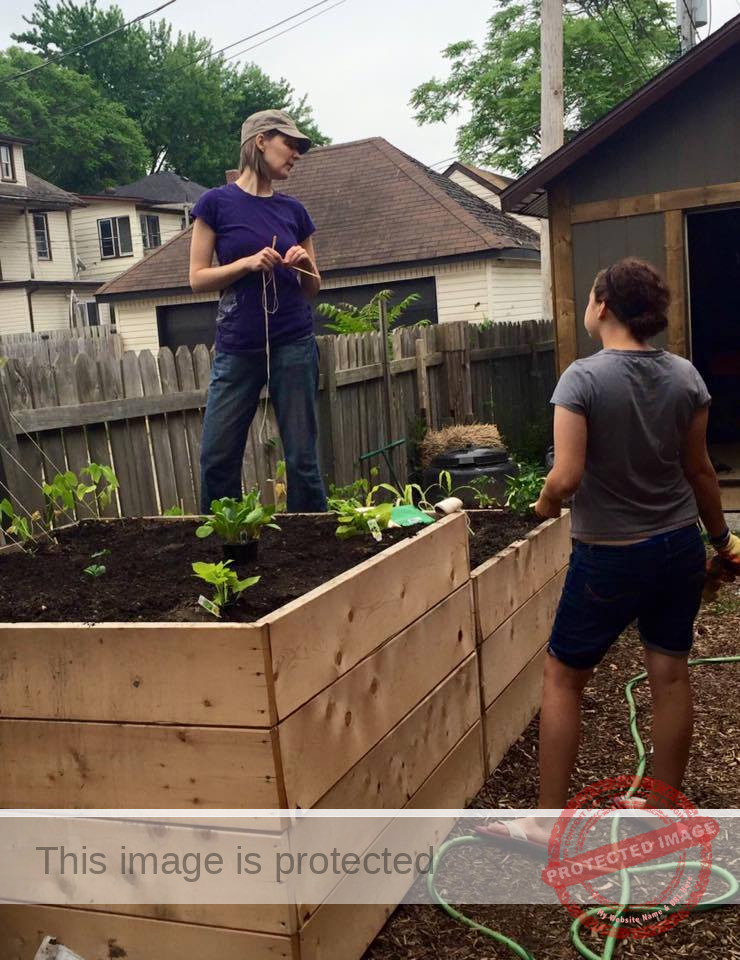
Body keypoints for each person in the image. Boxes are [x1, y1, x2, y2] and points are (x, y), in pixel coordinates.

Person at [479, 257, 740, 847]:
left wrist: (542, 508)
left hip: (609, 555)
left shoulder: (582, 379)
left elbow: (566, 477)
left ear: (601, 307)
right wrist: (721, 542)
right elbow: (700, 470)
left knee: (563, 679)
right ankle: (661, 808)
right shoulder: (686, 377)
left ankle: (545, 823)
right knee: (670, 675)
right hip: (676, 547)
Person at [189, 109, 327, 513]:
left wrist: (304, 264)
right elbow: (197, 278)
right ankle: (226, 546)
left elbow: (313, 288)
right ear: (261, 141)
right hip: (237, 347)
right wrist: (246, 264)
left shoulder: (294, 211)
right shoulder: (215, 203)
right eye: (290, 144)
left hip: (294, 343)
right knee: (217, 457)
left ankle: (313, 552)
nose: (296, 154)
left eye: (300, 148)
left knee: (302, 460)